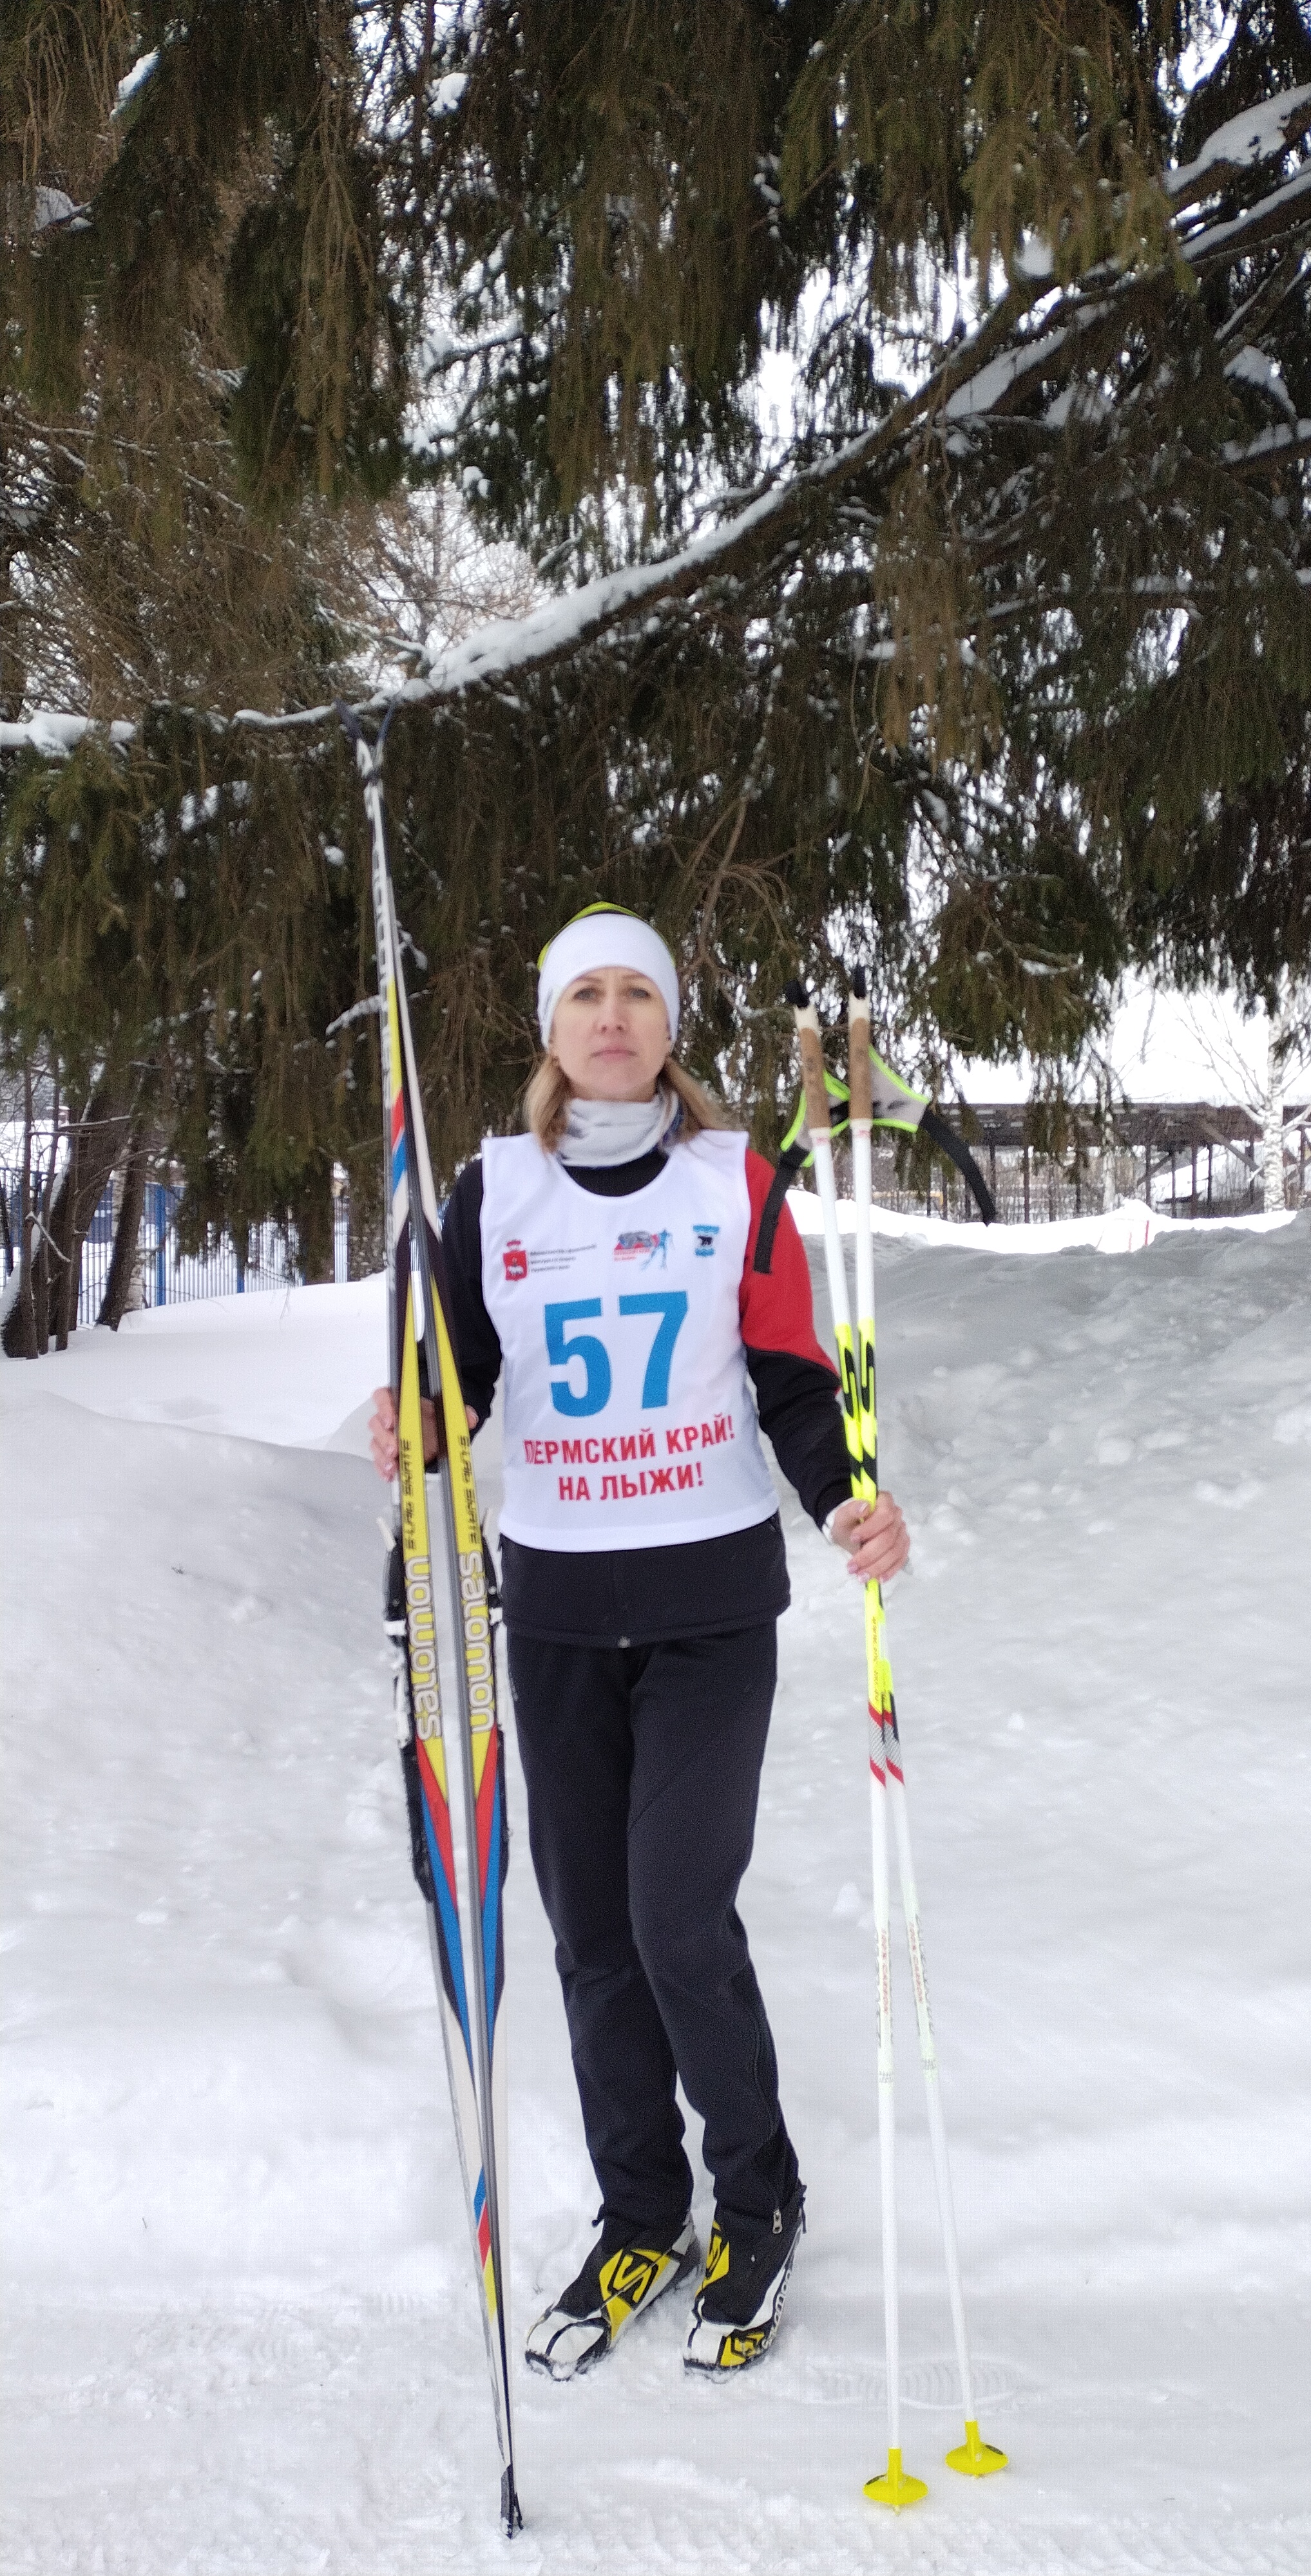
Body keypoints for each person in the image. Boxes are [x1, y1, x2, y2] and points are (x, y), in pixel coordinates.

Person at [368, 905, 908, 2382]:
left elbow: (793, 1380)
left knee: (677, 1918)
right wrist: (415, 1419)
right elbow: (459, 1380)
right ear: (553, 1028)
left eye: (638, 994)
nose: (612, 1017)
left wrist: (846, 1499)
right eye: (585, 995)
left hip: (708, 1607)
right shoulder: (493, 1189)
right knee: (592, 1934)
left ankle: (760, 2196)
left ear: (671, 1025)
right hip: (553, 1608)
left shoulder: (737, 1181)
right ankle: (643, 2211)